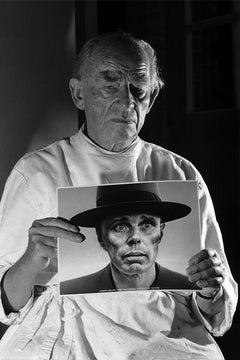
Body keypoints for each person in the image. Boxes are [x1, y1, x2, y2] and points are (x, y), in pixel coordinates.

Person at [0, 31, 237, 359]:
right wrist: (29, 261)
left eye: (138, 90)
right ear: (78, 94)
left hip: (165, 334)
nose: (127, 103)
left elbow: (219, 305)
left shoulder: (182, 174)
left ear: (151, 98)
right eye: (110, 84)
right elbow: (4, 305)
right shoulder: (37, 173)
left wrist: (212, 290)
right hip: (69, 335)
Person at [60, 182, 198, 294]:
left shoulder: (193, 291)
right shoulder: (70, 292)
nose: (135, 238)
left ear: (160, 232)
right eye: (120, 227)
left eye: (147, 225)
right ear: (101, 236)